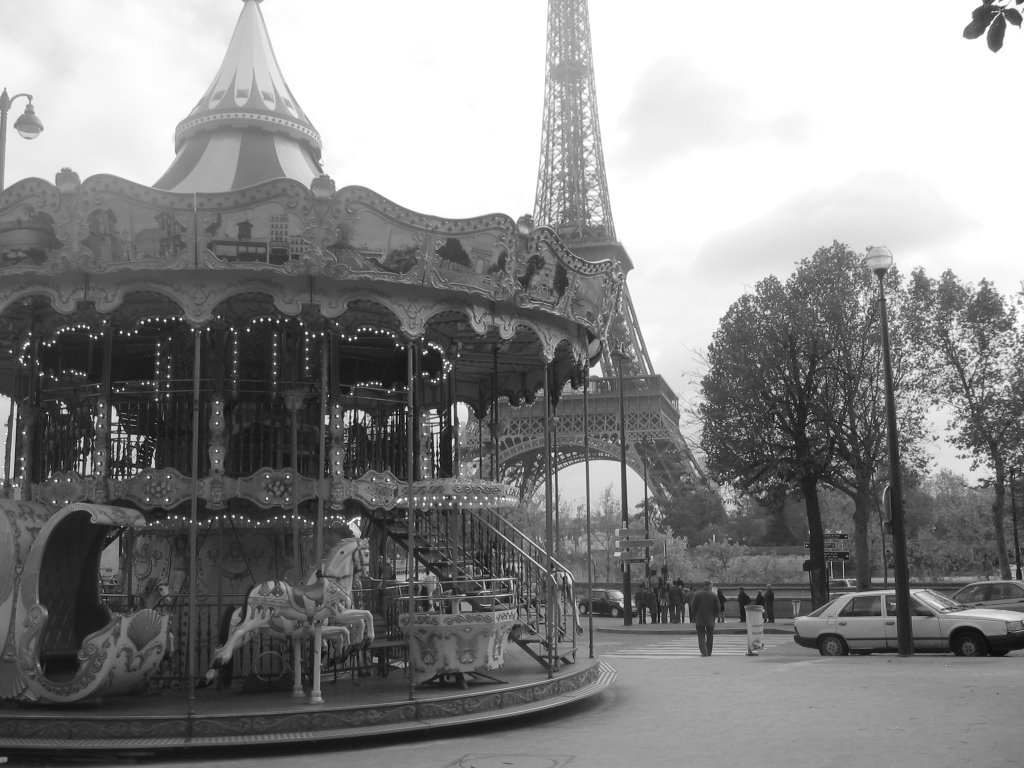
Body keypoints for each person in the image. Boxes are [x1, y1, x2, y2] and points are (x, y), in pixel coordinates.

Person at [691, 580, 720, 656]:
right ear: (710, 586)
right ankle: (709, 651)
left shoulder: (697, 595)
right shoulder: (714, 595)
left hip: (699, 618)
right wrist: (716, 615)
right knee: (710, 636)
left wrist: (695, 614)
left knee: (701, 636)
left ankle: (704, 652)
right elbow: (717, 607)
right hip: (710, 619)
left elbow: (693, 606)